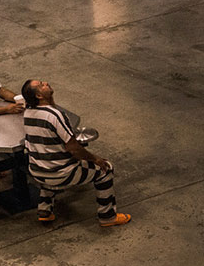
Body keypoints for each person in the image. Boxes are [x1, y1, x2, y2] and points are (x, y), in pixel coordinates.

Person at [20, 79, 132, 227]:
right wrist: (95, 159)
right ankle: (107, 216)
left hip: (37, 171)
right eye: (41, 85)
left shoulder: (27, 113)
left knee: (49, 167)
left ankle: (44, 211)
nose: (46, 83)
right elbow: (73, 148)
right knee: (105, 170)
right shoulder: (55, 115)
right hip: (60, 173)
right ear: (39, 96)